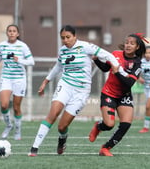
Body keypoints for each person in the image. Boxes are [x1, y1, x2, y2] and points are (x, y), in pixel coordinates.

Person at [28, 25, 125, 157]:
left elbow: (106, 54)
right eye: (63, 38)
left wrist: (115, 65)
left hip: (82, 91)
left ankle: (62, 139)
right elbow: (58, 67)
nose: (65, 40)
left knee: (62, 127)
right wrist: (46, 81)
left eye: (68, 37)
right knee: (53, 113)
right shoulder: (62, 51)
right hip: (65, 85)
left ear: (74, 36)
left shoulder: (85, 46)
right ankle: (34, 148)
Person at [88, 33, 146, 156]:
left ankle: (105, 148)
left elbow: (129, 83)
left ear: (137, 47)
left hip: (124, 95)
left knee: (126, 124)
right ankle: (99, 126)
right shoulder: (115, 54)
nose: (128, 45)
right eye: (127, 42)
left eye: (132, 43)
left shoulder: (137, 63)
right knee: (109, 125)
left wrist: (118, 73)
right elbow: (105, 68)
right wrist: (97, 60)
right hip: (109, 93)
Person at [0, 24, 35, 140]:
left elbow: (31, 62)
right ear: (7, 33)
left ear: (18, 34)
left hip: (19, 79)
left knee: (16, 107)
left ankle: (18, 130)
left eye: (14, 31)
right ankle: (9, 125)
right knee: (4, 105)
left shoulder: (23, 46)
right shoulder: (2, 45)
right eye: (9, 31)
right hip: (6, 78)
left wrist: (19, 60)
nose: (12, 33)